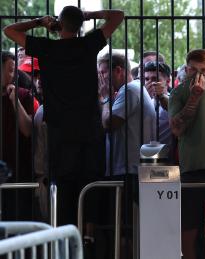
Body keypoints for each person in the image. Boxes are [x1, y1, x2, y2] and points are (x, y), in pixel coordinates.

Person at [3, 5, 124, 226]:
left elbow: (9, 30)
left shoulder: (47, 48)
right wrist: (91, 16)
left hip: (60, 131)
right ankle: (90, 237)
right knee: (91, 189)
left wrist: (39, 22)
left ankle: (65, 239)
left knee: (63, 191)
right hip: (89, 129)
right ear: (79, 25)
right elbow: (118, 16)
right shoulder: (88, 44)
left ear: (59, 24)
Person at [169, 49, 205, 259]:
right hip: (191, 170)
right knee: (189, 232)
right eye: (193, 70)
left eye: (203, 70)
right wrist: (193, 98)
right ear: (186, 69)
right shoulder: (179, 92)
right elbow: (176, 129)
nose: (198, 75)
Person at [1, 51, 35, 220]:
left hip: (18, 174)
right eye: (9, 70)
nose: (13, 75)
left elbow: (28, 130)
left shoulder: (23, 95)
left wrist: (15, 100)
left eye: (14, 70)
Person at [143, 61, 172, 145]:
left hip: (166, 154)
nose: (150, 83)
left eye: (155, 79)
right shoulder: (144, 100)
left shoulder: (173, 101)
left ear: (167, 81)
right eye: (147, 79)